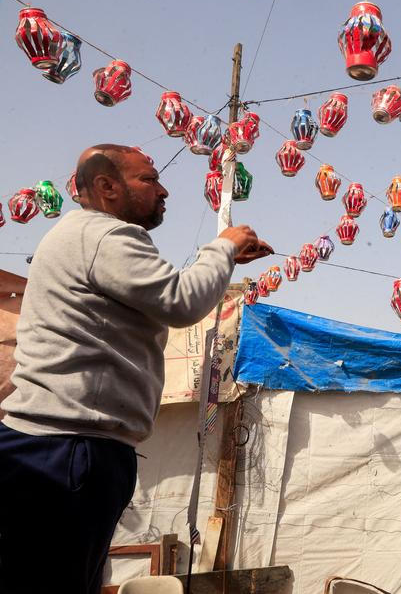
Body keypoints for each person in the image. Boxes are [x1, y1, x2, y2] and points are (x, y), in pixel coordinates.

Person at [0, 144, 273, 594]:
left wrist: (220, 262)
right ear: (107, 187)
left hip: (61, 446)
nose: (163, 190)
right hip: (69, 450)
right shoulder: (104, 235)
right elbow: (181, 300)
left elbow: (165, 293)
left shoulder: (80, 237)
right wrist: (222, 248)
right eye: (149, 179)